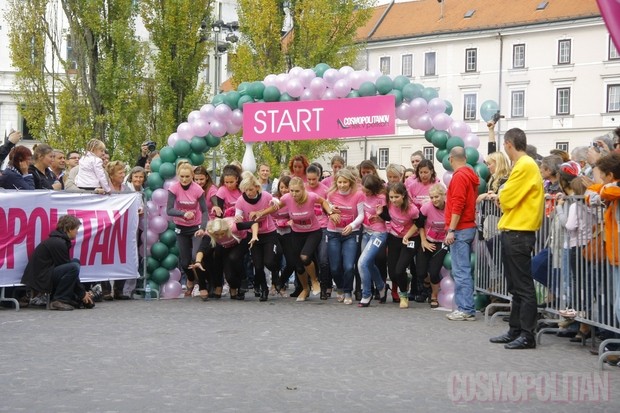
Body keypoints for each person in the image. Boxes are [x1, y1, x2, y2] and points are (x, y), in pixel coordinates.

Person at [488, 128, 544, 349]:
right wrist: (503, 193)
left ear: (509, 144)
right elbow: (506, 193)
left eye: (504, 145)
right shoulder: (524, 165)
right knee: (515, 285)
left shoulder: (525, 165)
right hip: (515, 230)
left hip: (519, 231)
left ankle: (527, 334)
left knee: (522, 286)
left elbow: (507, 197)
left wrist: (501, 194)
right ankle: (516, 329)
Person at [21, 215, 95, 311]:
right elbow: (68, 269)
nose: (77, 232)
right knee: (73, 266)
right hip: (41, 279)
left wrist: (82, 292)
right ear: (69, 229)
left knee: (75, 262)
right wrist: (82, 293)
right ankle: (59, 300)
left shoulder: (58, 240)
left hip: (43, 275)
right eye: (76, 229)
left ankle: (67, 298)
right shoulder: (59, 243)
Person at [444, 147, 479, 321]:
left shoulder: (459, 177)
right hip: (468, 225)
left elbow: (458, 204)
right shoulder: (470, 175)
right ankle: (466, 307)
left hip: (460, 228)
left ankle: (466, 309)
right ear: (465, 158)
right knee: (462, 270)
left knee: (461, 270)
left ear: (451, 160)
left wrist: (451, 229)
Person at [236, 172, 282, 302]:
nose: (249, 192)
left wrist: (262, 211)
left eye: (251, 189)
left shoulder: (266, 196)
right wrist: (238, 218)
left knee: (269, 261)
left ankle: (275, 274)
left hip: (269, 233)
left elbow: (276, 206)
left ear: (257, 187)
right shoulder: (240, 201)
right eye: (246, 190)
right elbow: (238, 217)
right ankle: (264, 289)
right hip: (253, 236)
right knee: (258, 266)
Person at [166, 162, 209, 299]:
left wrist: (203, 228)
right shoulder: (174, 189)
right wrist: (183, 214)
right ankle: (190, 278)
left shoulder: (197, 190)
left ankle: (202, 286)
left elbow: (204, 211)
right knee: (184, 262)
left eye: (187, 176)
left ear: (192, 176)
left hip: (195, 227)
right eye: (182, 176)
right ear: (178, 176)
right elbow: (169, 210)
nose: (184, 179)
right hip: (181, 227)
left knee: (196, 257)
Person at [192, 218, 258, 301]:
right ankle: (233, 286)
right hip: (226, 246)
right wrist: (198, 262)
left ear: (226, 230)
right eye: (217, 234)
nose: (220, 236)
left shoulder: (233, 227)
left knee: (234, 257)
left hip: (241, 241)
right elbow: (201, 249)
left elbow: (253, 223)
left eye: (222, 234)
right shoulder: (209, 233)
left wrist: (255, 236)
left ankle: (244, 279)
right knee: (228, 275)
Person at [377, 182, 420, 308]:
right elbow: (389, 218)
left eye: (397, 197)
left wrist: (407, 236)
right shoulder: (389, 205)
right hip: (394, 238)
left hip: (410, 239)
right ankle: (405, 279)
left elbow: (419, 223)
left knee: (399, 269)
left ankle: (404, 296)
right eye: (391, 197)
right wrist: (380, 213)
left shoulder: (412, 209)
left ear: (403, 196)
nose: (394, 200)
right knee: (393, 273)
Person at [326, 168, 364, 305]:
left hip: (351, 233)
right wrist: (331, 212)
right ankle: (340, 288)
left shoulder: (358, 195)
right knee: (335, 267)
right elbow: (327, 209)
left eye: (345, 182)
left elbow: (361, 215)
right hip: (333, 232)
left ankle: (348, 290)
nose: (342, 185)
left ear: (350, 182)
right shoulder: (331, 194)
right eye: (339, 182)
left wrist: (352, 226)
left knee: (348, 265)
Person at [357, 174, 387, 307]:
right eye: (364, 189)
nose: (365, 193)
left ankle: (366, 294)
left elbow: (389, 216)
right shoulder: (361, 195)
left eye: (368, 191)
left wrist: (381, 215)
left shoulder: (381, 198)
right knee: (368, 263)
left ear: (374, 189)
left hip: (378, 234)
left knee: (362, 263)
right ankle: (381, 286)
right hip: (366, 232)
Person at [416, 183, 448, 308]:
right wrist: (424, 241)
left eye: (437, 197)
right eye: (432, 197)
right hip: (428, 240)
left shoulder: (449, 207)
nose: (434, 200)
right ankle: (427, 283)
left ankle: (434, 295)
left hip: (443, 242)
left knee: (434, 272)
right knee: (421, 272)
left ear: (443, 196)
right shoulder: (426, 207)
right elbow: (419, 224)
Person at [305, 164, 332, 299]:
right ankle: (311, 282)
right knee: (309, 258)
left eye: (314, 179)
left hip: (323, 227)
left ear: (319, 177)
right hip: (308, 228)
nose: (311, 182)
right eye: (309, 179)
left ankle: (325, 287)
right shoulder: (303, 189)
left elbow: (329, 209)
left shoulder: (325, 190)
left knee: (323, 259)